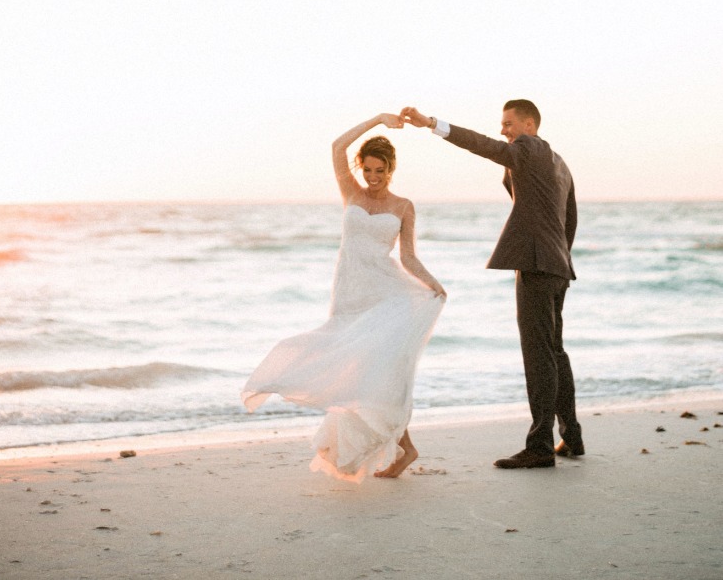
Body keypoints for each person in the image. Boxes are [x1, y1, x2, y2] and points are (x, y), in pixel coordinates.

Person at [242, 114, 446, 482]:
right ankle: (404, 445)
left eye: (379, 170)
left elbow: (408, 257)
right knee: (351, 371)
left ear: (391, 169)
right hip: (350, 295)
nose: (372, 177)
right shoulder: (350, 192)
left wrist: (433, 284)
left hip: (386, 295)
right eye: (367, 169)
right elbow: (338, 147)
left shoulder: (403, 207)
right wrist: (379, 120)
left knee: (379, 374)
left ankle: (404, 447)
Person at [400, 100, 583, 469]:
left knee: (539, 355)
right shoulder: (559, 162)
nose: (503, 130)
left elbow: (484, 145)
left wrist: (432, 124)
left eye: (509, 123)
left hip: (537, 264)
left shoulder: (529, 148)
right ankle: (572, 435)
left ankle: (540, 447)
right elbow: (570, 218)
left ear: (529, 124)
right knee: (555, 351)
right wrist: (559, 258)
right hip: (557, 266)